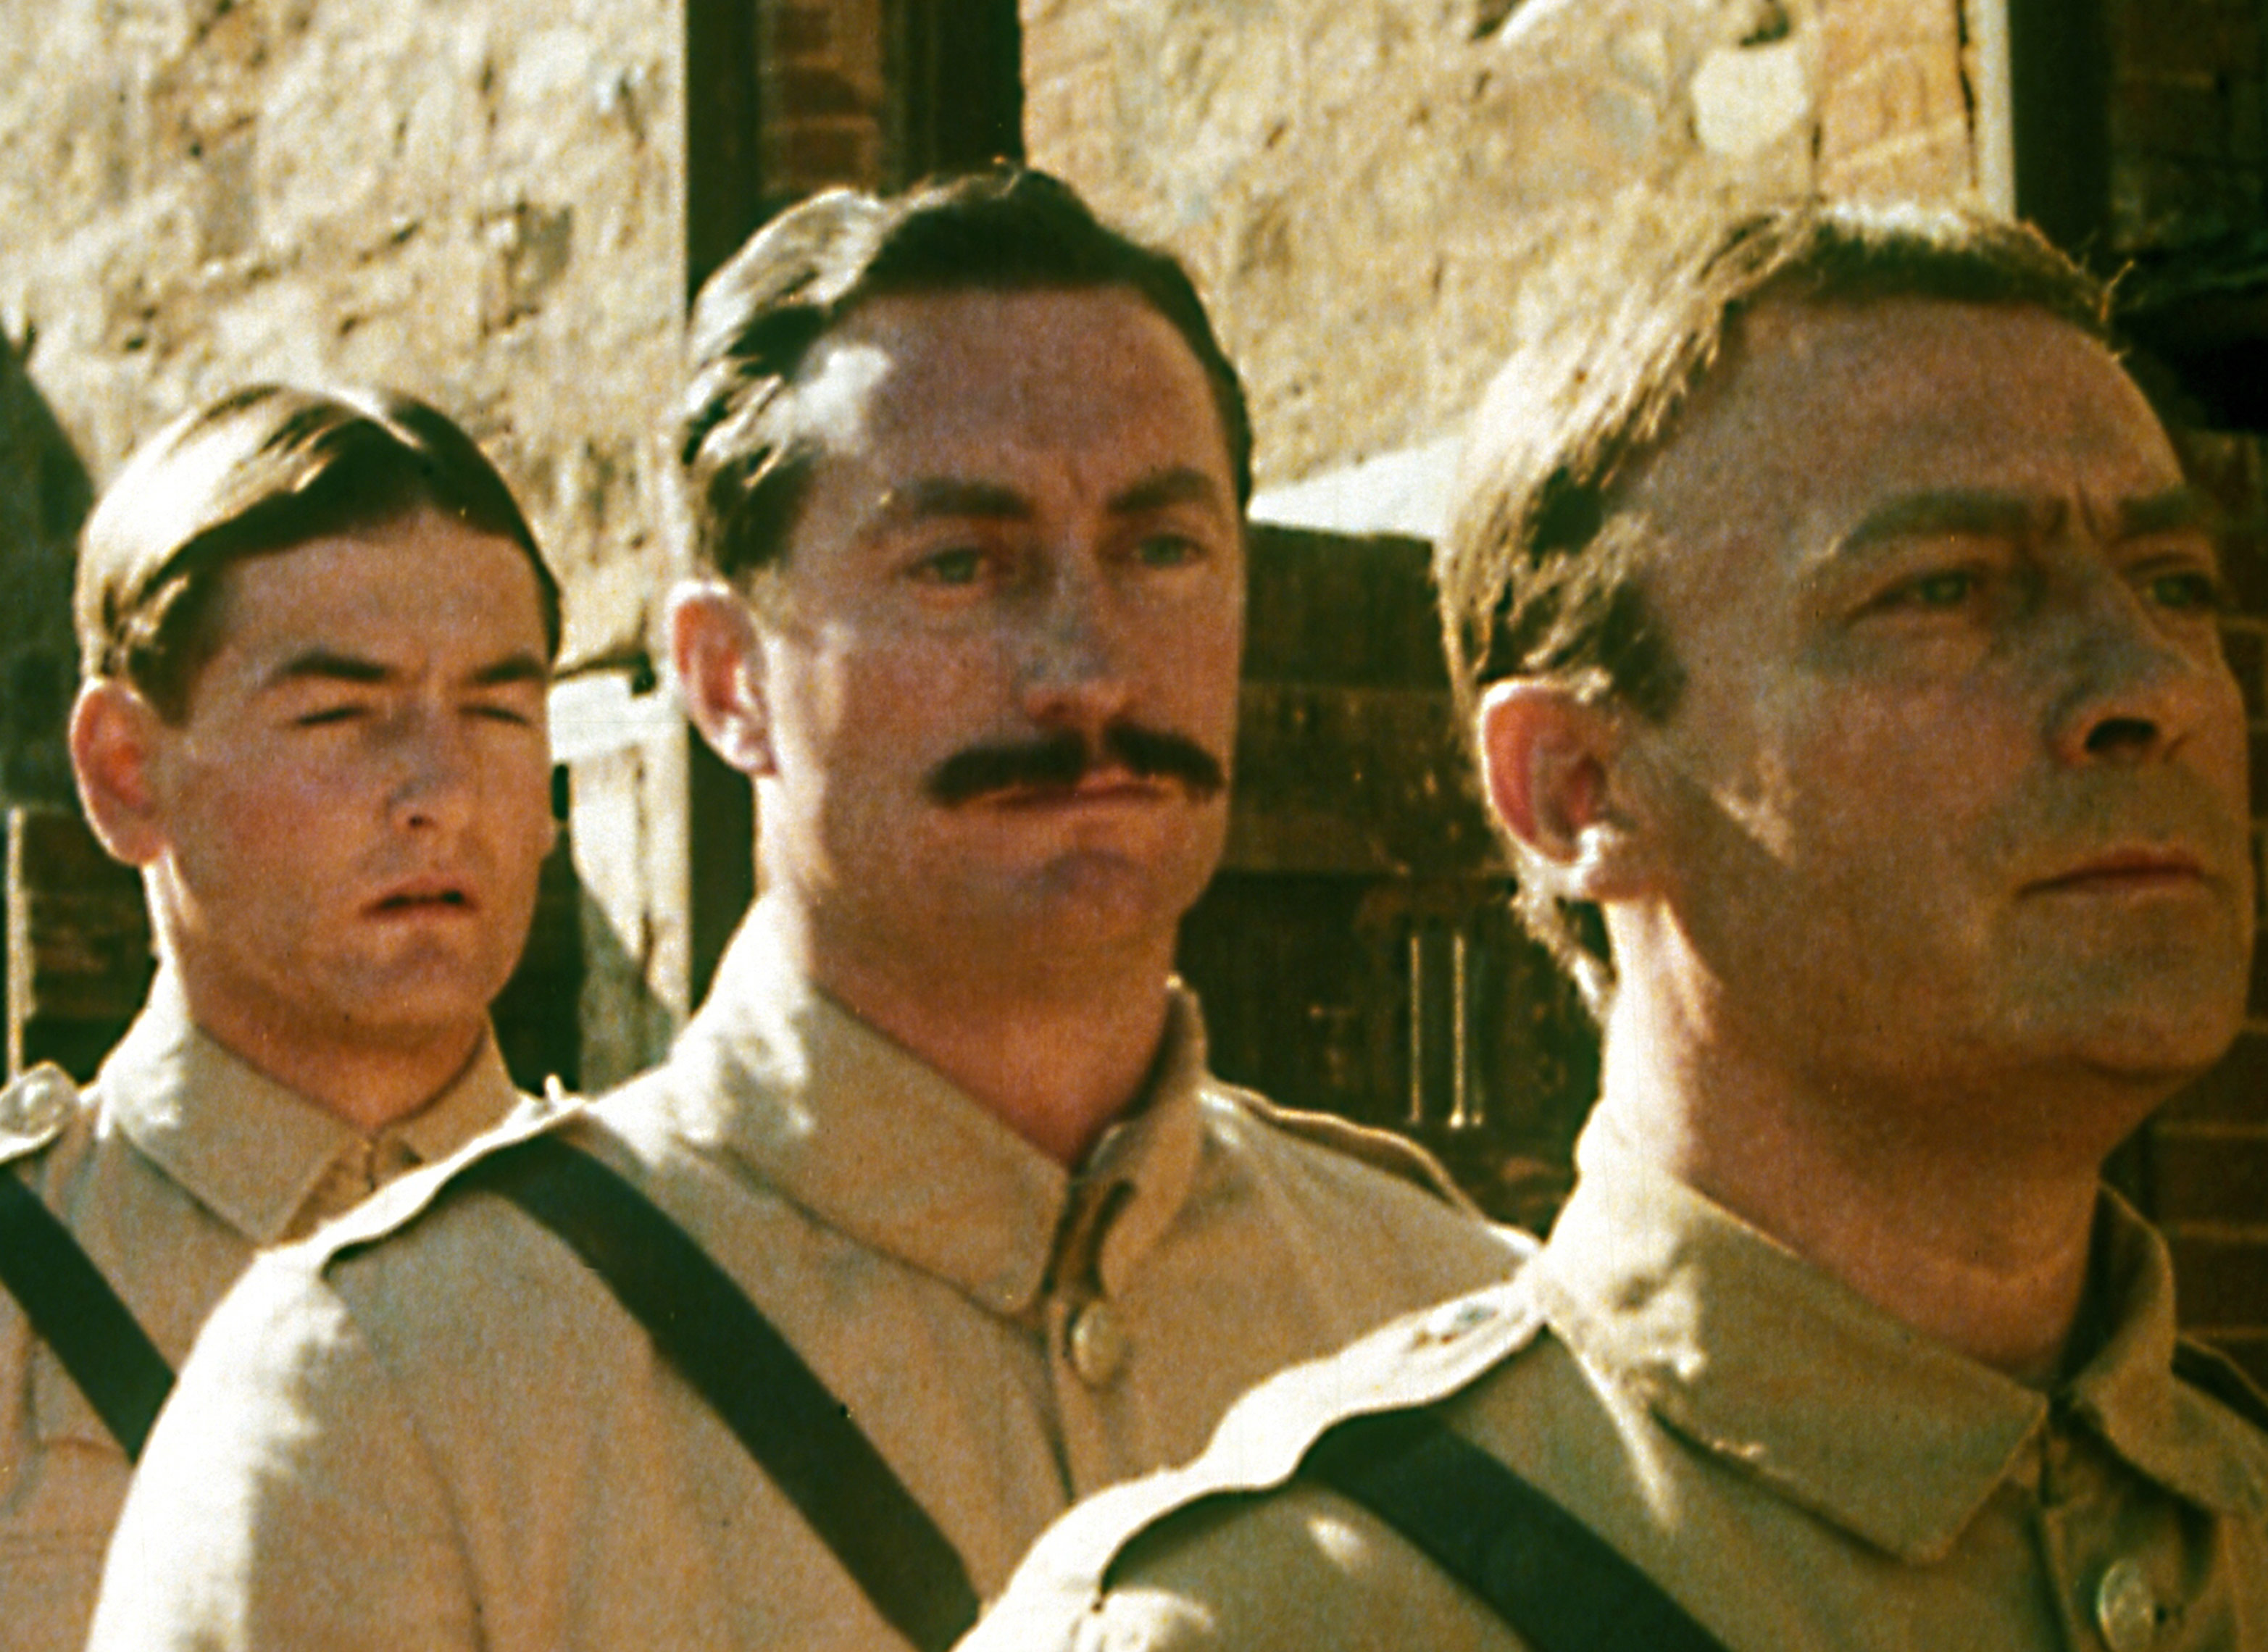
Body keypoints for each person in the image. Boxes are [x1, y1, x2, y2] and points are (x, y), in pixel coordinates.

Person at [957, 200, 2268, 1651]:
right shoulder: (1263, 1621)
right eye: (1943, 591)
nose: (2150, 684)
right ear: (1577, 790)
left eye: (2177, 585)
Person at [85, 167, 1528, 1652]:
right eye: (959, 565)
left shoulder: (1461, 1332)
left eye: (1163, 549)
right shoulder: (390, 1402)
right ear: (727, 680)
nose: (1088, 669)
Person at [0, 384, 562, 1652]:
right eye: (339, 713)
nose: (442, 792)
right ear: (128, 773)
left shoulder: (688, 1264)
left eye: (498, 711)